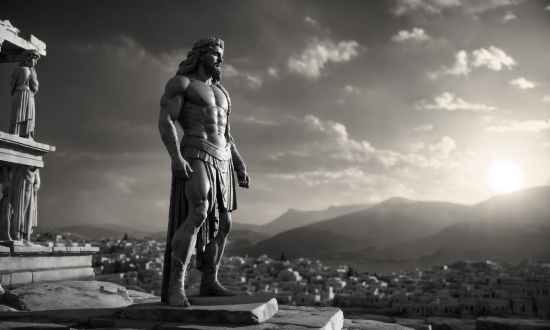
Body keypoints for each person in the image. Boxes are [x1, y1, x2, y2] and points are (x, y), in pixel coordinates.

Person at [158, 37, 250, 307]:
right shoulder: (181, 84)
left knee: (225, 223)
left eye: (222, 54)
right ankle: (176, 285)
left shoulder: (223, 93)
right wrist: (175, 157)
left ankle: (209, 281)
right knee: (197, 212)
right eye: (214, 53)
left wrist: (239, 163)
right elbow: (165, 120)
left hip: (223, 157)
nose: (220, 59)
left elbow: (228, 135)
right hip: (196, 149)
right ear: (200, 55)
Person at [10, 49, 40, 139]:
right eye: (34, 59)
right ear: (28, 58)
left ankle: (21, 132)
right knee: (22, 114)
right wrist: (32, 73)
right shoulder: (25, 70)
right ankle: (23, 133)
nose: (35, 63)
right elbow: (35, 87)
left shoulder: (25, 70)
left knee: (23, 115)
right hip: (24, 95)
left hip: (25, 95)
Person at [9, 166, 40, 241]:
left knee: (28, 213)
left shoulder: (36, 170)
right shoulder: (20, 168)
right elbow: (11, 177)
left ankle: (26, 235)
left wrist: (35, 185)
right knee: (20, 211)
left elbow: (37, 183)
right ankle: (16, 233)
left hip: (30, 192)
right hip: (21, 191)